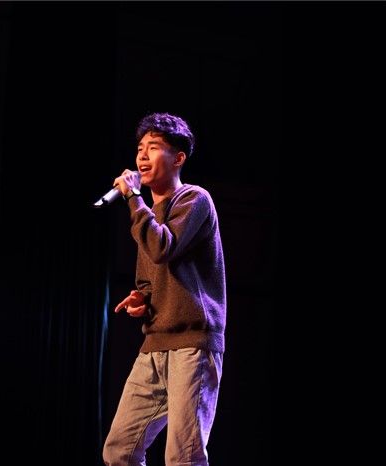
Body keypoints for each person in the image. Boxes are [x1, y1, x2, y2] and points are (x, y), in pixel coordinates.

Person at [103, 113, 226, 466]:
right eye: (140, 147)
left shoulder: (194, 199)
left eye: (154, 147)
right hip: (155, 345)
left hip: (192, 344)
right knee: (119, 449)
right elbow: (150, 273)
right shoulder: (148, 212)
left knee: (183, 456)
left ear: (178, 158)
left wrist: (133, 198)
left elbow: (162, 247)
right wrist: (141, 297)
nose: (142, 155)